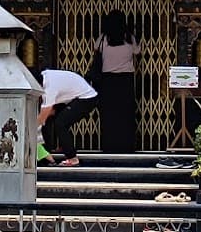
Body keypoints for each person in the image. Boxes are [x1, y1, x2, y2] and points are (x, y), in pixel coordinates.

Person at [94, 10, 140, 153]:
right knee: (125, 114)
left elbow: (96, 51)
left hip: (107, 81)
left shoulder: (102, 39)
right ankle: (126, 145)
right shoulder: (129, 38)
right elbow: (138, 52)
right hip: (125, 81)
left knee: (109, 115)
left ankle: (109, 145)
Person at [38, 67, 99, 167]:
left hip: (86, 98)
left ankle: (72, 158)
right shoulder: (46, 75)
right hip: (73, 97)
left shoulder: (50, 87)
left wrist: (33, 128)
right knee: (55, 117)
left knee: (60, 123)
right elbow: (49, 112)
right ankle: (62, 145)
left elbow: (44, 113)